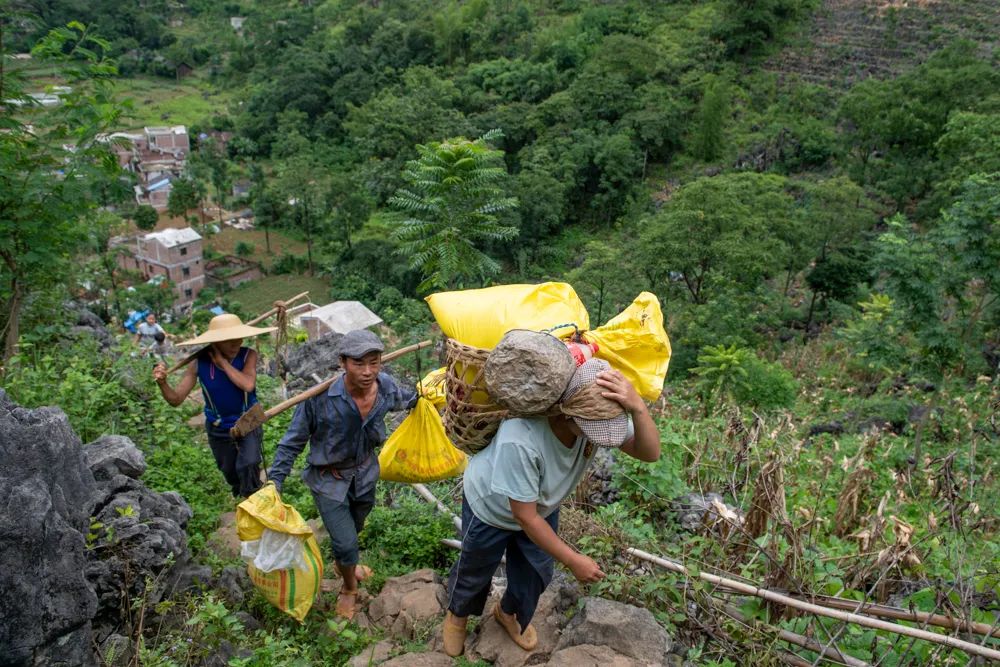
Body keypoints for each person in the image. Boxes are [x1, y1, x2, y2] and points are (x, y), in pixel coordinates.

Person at [441, 358, 661, 657]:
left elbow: (649, 453)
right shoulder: (521, 438)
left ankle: (508, 613)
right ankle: (458, 615)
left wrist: (638, 407)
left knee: (535, 572)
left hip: (540, 504)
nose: (600, 438)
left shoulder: (593, 420)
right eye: (595, 430)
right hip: (492, 507)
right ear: (567, 414)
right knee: (475, 566)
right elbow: (524, 517)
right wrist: (573, 559)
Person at [268, 329, 417, 620]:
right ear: (343, 363)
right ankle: (349, 587)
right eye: (358, 364)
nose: (367, 371)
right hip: (329, 479)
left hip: (364, 473)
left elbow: (408, 399)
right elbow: (292, 441)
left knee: (355, 527)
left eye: (374, 362)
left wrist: (433, 395)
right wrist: (275, 481)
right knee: (346, 542)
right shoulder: (319, 399)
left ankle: (344, 563)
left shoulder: (385, 387)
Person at [152, 313, 276, 498]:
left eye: (238, 338)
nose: (236, 343)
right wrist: (162, 383)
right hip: (218, 427)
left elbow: (248, 385)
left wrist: (224, 364)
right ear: (216, 341)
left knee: (249, 463)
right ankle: (241, 494)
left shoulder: (248, 355)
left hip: (248, 420)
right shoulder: (197, 363)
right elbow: (176, 399)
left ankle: (254, 498)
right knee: (229, 471)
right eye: (229, 340)